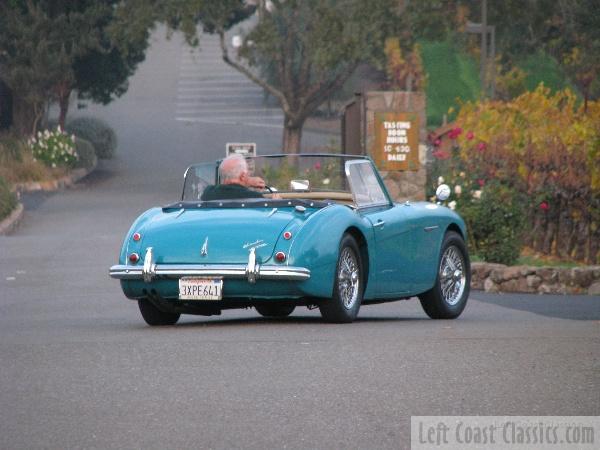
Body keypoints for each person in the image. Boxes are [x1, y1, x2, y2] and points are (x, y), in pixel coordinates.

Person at [201, 154, 267, 201]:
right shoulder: (254, 197)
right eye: (247, 172)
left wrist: (247, 180)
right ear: (243, 176)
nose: (249, 175)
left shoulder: (209, 194)